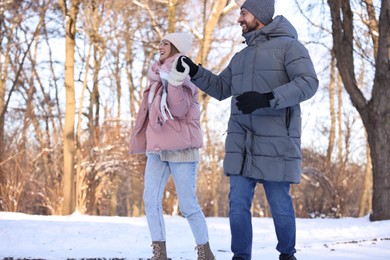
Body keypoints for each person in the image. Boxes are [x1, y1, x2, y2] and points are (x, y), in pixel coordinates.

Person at [171, 0, 319, 259]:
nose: (239, 18)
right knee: (238, 205)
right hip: (242, 143)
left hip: (276, 142)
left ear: (259, 16)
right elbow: (220, 88)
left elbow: (308, 83)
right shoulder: (241, 56)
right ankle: (240, 256)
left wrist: (267, 98)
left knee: (279, 204)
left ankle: (287, 254)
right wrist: (195, 71)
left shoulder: (290, 47)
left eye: (244, 12)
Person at [128, 32, 215, 260]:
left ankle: (205, 252)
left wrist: (175, 80)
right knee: (150, 200)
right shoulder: (156, 77)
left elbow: (178, 110)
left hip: (182, 150)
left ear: (176, 48)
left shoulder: (185, 75)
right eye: (160, 42)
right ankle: (159, 253)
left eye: (165, 43)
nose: (160, 46)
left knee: (187, 205)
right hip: (158, 148)